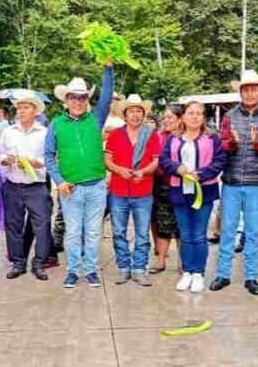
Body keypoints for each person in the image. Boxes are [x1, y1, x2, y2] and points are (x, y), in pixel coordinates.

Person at [45, 64, 114, 288]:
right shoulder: (56, 124)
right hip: (71, 188)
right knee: (73, 232)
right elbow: (48, 155)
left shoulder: (96, 118)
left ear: (87, 100)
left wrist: (108, 69)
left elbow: (107, 96)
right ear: (66, 100)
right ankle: (73, 270)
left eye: (82, 97)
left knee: (93, 232)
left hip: (96, 186)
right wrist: (59, 181)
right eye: (74, 97)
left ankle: (91, 270)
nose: (78, 101)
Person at [212, 70, 258, 295]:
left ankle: (251, 277)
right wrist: (231, 142)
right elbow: (222, 146)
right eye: (246, 89)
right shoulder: (229, 116)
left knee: (253, 232)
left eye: (254, 89)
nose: (250, 93)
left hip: (257, 183)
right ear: (240, 92)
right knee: (228, 230)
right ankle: (223, 274)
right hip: (231, 181)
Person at [160, 101, 226, 294]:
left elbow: (220, 161)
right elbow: (164, 160)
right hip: (179, 191)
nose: (195, 116)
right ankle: (187, 271)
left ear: (203, 117)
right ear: (183, 116)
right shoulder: (173, 139)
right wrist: (178, 168)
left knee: (199, 235)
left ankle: (198, 273)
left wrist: (202, 174)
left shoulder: (211, 139)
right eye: (191, 113)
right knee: (185, 234)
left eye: (199, 113)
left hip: (204, 192)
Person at [105, 94, 161, 287]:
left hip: (143, 190)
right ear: (125, 114)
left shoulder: (151, 134)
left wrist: (143, 172)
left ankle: (139, 269)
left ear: (143, 114)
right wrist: (118, 169)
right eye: (132, 111)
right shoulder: (115, 134)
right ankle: (123, 268)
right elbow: (107, 160)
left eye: (139, 111)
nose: (135, 114)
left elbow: (155, 161)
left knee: (142, 233)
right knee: (118, 231)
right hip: (118, 190)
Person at [0, 91, 51, 281]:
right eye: (19, 108)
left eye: (26, 107)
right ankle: (18, 262)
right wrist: (6, 160)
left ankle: (39, 262)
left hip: (36, 186)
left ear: (36, 111)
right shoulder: (9, 131)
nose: (22, 111)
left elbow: (51, 157)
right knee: (14, 225)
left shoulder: (44, 133)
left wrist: (37, 163)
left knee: (42, 225)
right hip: (14, 185)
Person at [150, 105, 183, 274]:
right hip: (161, 185)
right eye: (165, 118)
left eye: (170, 117)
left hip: (182, 185)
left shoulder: (186, 137)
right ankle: (161, 259)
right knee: (162, 222)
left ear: (180, 118)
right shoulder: (159, 136)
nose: (166, 121)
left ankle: (182, 261)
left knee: (181, 224)